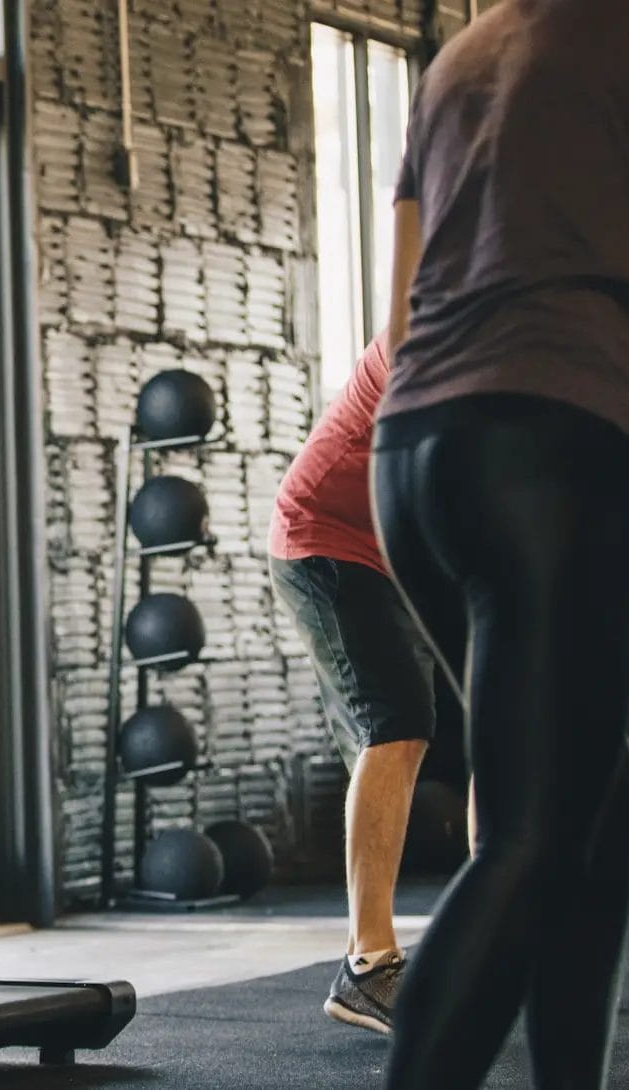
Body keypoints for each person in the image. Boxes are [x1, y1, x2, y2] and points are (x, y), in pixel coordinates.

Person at [371, 0, 629, 1085]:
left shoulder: (461, 55)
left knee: (600, 819)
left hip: (410, 459)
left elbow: (403, 322)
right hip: (544, 447)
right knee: (537, 841)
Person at [270, 333, 438, 1035]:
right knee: (395, 723)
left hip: (392, 554)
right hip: (326, 539)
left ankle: (504, 936)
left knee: (430, 729)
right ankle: (367, 967)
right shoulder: (428, 337)